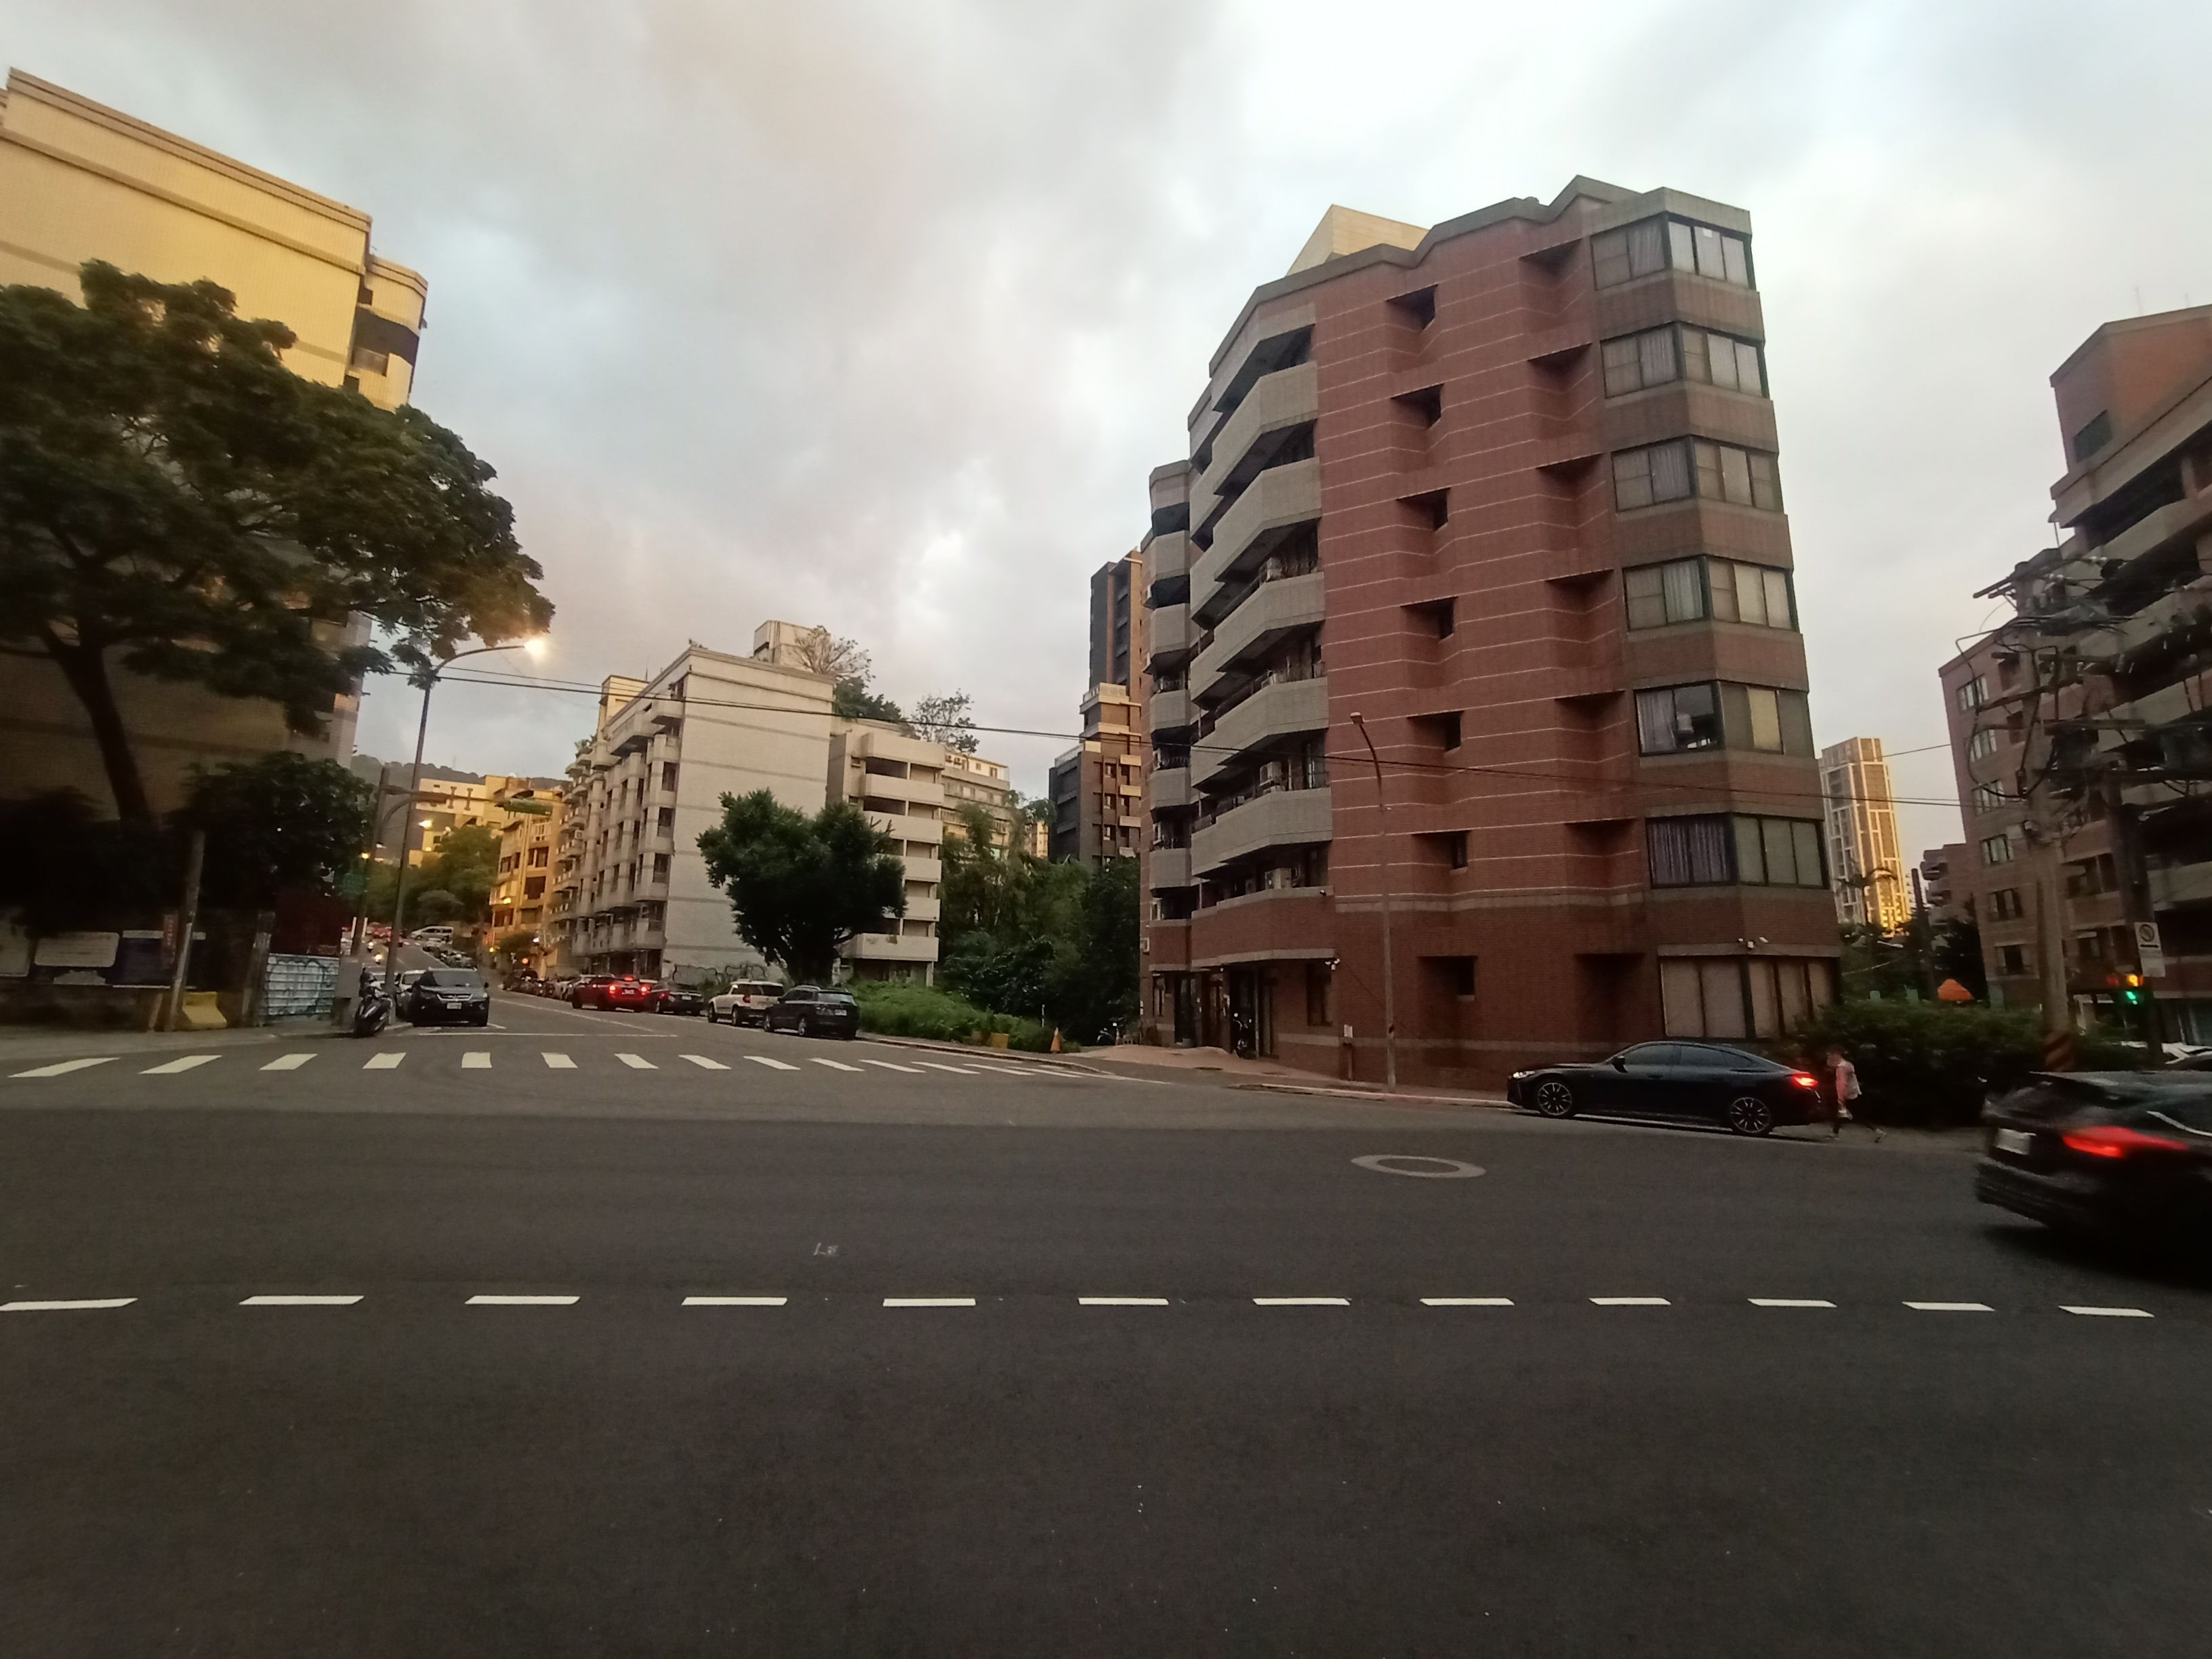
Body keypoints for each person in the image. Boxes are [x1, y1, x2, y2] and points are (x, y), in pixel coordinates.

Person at [1826, 1046, 1881, 1143]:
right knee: (1841, 1112)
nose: (1829, 1057)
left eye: (1831, 1055)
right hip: (1852, 1091)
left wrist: (1841, 1097)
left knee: (1855, 1114)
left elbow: (1842, 1082)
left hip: (1848, 1093)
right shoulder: (1847, 1064)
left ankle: (1878, 1132)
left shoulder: (1842, 1067)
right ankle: (1835, 1133)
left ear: (1837, 1055)